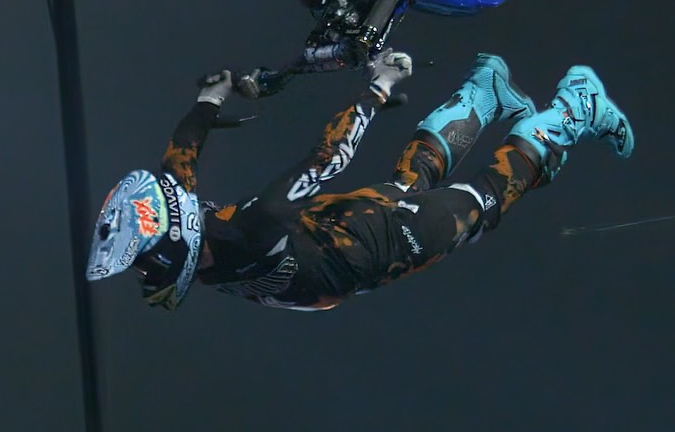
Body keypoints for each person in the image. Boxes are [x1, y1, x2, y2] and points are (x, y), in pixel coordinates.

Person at [86, 51, 634, 311]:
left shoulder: (250, 228)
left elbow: (327, 158)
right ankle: (485, 91)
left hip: (375, 246)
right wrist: (208, 101)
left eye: (146, 260)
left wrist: (377, 88)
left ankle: (576, 107)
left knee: (486, 202)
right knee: (412, 179)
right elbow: (180, 155)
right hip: (339, 230)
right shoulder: (182, 211)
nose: (147, 274)